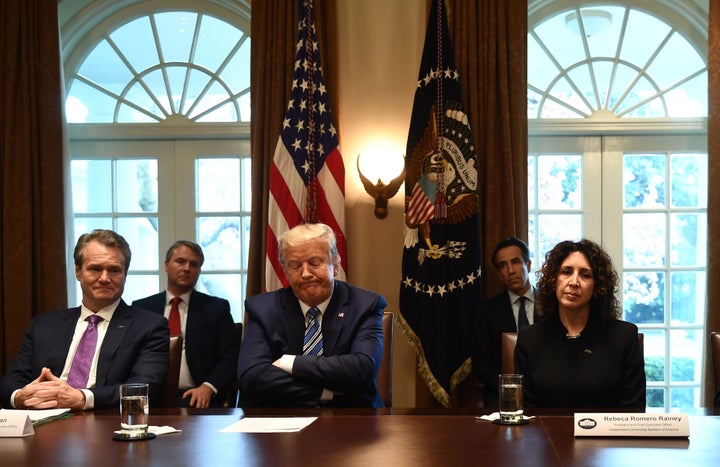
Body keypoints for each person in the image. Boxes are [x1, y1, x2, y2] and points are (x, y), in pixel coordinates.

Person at [0, 229, 169, 411]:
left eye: (114, 270)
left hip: (105, 424)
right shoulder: (43, 324)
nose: (105, 278)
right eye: (95, 269)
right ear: (78, 272)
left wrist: (81, 398)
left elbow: (143, 388)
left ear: (125, 274)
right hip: (42, 421)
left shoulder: (150, 326)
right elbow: (13, 379)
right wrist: (20, 397)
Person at [237, 223, 387, 407]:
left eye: (315, 263)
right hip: (282, 419)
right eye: (295, 266)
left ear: (336, 264)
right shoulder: (262, 308)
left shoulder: (365, 305)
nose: (306, 273)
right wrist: (324, 392)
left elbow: (362, 369)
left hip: (352, 417)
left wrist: (290, 363)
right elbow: (251, 377)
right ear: (285, 270)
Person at [514, 239, 646, 409]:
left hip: (607, 436)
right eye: (566, 272)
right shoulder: (529, 340)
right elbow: (524, 412)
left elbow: (633, 410)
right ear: (553, 280)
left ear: (598, 286)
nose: (574, 282)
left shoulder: (623, 337)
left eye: (585, 275)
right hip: (546, 435)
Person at [133, 240, 239, 408]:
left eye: (194, 264)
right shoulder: (142, 308)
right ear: (166, 265)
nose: (187, 268)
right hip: (149, 399)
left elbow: (230, 359)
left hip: (197, 398)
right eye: (180, 261)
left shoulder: (216, 308)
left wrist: (208, 387)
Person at [473, 237, 539, 407]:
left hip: (546, 392)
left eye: (516, 262)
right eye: (503, 265)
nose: (510, 270)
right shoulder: (486, 312)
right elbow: (481, 365)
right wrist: (509, 389)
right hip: (502, 394)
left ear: (528, 265)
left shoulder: (553, 305)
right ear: (499, 274)